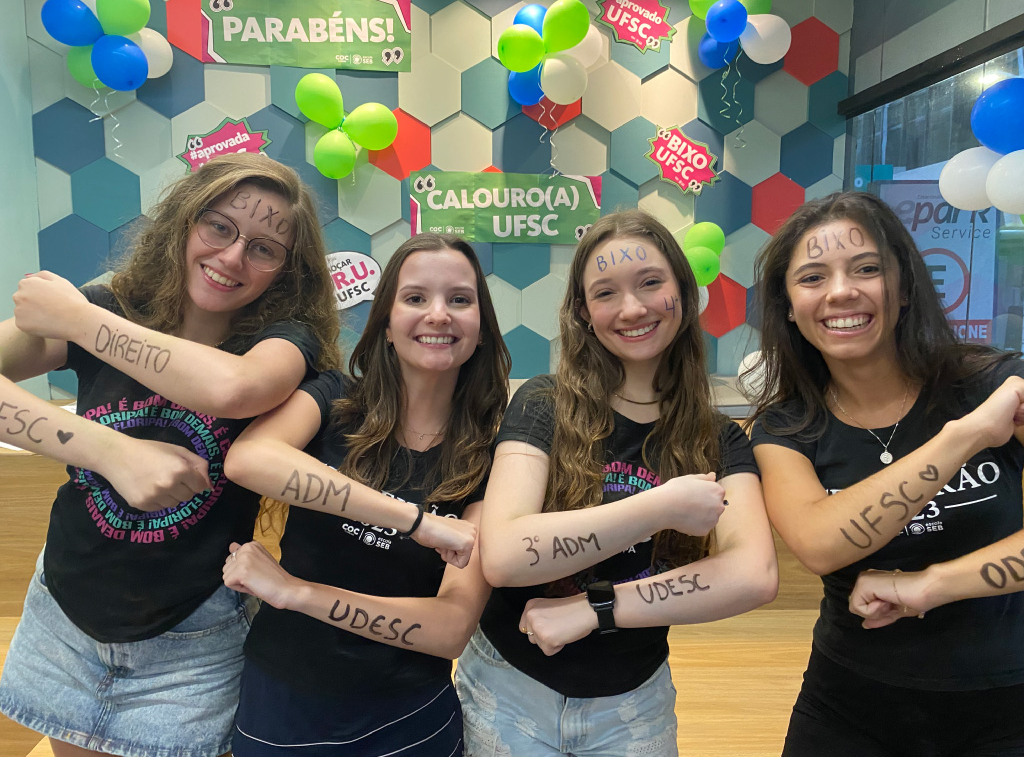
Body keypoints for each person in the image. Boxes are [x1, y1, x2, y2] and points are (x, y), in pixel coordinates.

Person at [0, 153, 343, 757]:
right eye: (219, 226)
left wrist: (80, 320)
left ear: (287, 272)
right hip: (68, 604)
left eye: (264, 248)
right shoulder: (109, 306)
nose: (233, 256)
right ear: (183, 222)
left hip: (192, 629)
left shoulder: (286, 342)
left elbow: (235, 390)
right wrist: (108, 450)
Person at [457, 209, 778, 756]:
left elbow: (754, 575)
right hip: (509, 691)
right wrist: (660, 507)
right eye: (606, 293)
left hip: (634, 704)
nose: (632, 309)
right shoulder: (542, 403)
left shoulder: (719, 437)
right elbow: (505, 556)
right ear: (584, 312)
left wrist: (597, 609)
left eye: (651, 283)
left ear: (682, 291)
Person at [748, 191, 1024, 756]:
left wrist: (926, 586)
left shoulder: (996, 384)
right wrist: (964, 436)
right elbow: (821, 544)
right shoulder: (785, 428)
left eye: (867, 269)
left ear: (903, 289)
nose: (842, 291)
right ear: (790, 309)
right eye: (812, 277)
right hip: (850, 705)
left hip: (1006, 703)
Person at [220, 233, 510, 756]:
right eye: (416, 298)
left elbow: (449, 629)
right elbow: (248, 460)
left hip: (407, 718)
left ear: (482, 330)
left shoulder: (493, 454)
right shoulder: (333, 399)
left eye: (460, 300)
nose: (439, 314)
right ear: (386, 325)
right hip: (282, 705)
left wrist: (297, 594)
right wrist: (416, 521)